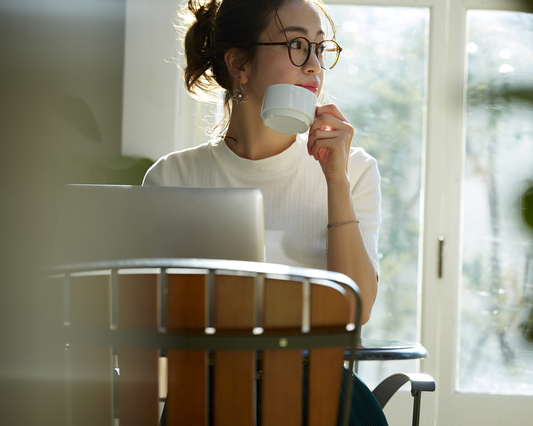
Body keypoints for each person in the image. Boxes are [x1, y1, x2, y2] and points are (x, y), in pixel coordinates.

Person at [143, 0, 386, 424]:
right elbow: (150, 318)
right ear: (240, 65)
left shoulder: (354, 169)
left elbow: (355, 310)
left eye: (319, 48)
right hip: (208, 398)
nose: (314, 65)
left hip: (323, 396)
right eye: (296, 44)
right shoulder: (172, 176)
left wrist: (336, 181)